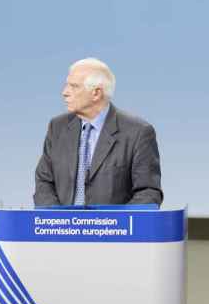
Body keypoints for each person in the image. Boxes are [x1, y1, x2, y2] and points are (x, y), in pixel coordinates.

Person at [34, 58, 163, 207]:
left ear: (96, 93)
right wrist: (58, 221)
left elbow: (148, 192)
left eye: (74, 86)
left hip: (112, 228)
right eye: (66, 85)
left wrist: (112, 223)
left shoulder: (138, 133)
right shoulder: (57, 127)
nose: (64, 92)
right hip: (62, 228)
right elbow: (44, 182)